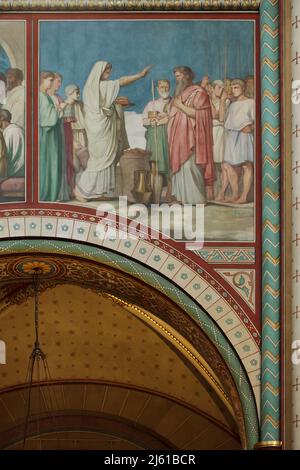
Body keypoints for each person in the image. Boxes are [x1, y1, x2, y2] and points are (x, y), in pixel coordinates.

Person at [74, 61, 151, 202]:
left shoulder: (90, 88)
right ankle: (81, 190)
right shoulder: (101, 86)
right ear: (99, 72)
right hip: (99, 128)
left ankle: (99, 191)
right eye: (106, 72)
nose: (108, 74)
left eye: (109, 71)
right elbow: (121, 82)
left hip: (101, 126)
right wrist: (139, 75)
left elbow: (103, 105)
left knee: (105, 160)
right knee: (99, 161)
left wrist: (113, 105)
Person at [167, 66, 215, 204]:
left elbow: (200, 114)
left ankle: (196, 199)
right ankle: (182, 198)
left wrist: (180, 106)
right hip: (178, 139)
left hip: (192, 137)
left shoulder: (199, 92)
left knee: (190, 167)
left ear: (187, 76)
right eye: (176, 76)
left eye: (179, 76)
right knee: (181, 168)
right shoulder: (179, 94)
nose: (177, 79)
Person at [219, 79, 254, 204]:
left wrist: (251, 128)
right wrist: (223, 101)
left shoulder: (251, 102)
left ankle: (244, 196)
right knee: (228, 165)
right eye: (232, 87)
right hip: (231, 136)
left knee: (246, 165)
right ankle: (235, 194)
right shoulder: (232, 104)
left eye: (236, 87)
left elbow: (258, 121)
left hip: (244, 136)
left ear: (243, 88)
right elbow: (222, 119)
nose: (234, 90)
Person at [143, 79, 171, 202]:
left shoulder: (174, 102)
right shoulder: (151, 104)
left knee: (170, 168)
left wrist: (163, 119)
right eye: (161, 87)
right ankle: (156, 199)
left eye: (166, 87)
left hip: (169, 137)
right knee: (156, 168)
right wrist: (152, 121)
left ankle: (171, 197)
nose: (164, 89)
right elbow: (144, 121)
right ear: (157, 89)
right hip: (154, 139)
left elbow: (174, 118)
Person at [39, 71, 65, 201]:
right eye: (50, 80)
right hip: (47, 135)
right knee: (49, 163)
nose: (51, 82)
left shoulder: (45, 96)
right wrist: (60, 108)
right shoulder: (42, 96)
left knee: (53, 163)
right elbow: (48, 119)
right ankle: (48, 195)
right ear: (42, 80)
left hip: (52, 134)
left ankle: (52, 194)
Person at [47, 72, 70, 200]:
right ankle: (51, 193)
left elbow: (65, 116)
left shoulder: (58, 97)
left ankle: (60, 193)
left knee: (60, 159)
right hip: (50, 131)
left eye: (60, 81)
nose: (59, 84)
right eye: (58, 81)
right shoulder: (45, 97)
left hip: (59, 129)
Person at [210, 80, 230, 201]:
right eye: (218, 87)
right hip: (209, 132)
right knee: (211, 165)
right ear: (212, 88)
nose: (221, 89)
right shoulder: (209, 101)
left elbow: (221, 117)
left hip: (220, 132)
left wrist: (221, 102)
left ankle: (222, 192)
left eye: (223, 87)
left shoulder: (225, 101)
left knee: (222, 164)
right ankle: (213, 192)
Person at [64, 83, 88, 178]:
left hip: (83, 134)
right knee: (75, 165)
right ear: (70, 93)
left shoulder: (80, 105)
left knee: (85, 162)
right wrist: (73, 140)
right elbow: (66, 126)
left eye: (79, 93)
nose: (78, 95)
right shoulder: (65, 106)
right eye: (76, 93)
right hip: (72, 136)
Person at [0, 108, 24, 178]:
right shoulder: (18, 129)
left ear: (1, 118)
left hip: (12, 171)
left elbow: (5, 155)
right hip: (21, 169)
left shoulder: (10, 132)